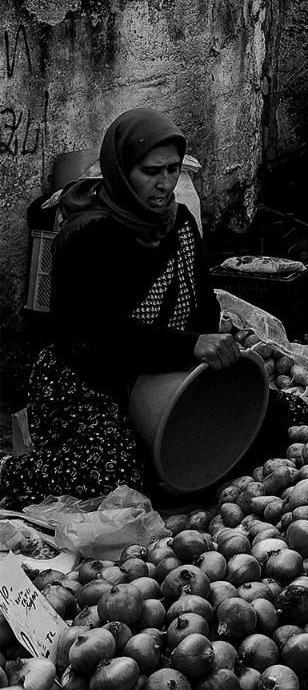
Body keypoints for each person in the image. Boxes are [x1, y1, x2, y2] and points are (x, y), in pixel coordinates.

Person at [0, 108, 237, 508]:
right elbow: (99, 331)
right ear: (121, 169)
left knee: (271, 422)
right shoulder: (86, 236)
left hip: (159, 376)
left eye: (173, 170)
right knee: (119, 478)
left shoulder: (178, 224)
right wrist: (189, 346)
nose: (165, 184)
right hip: (88, 380)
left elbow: (204, 305)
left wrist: (208, 360)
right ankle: (9, 470)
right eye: (151, 171)